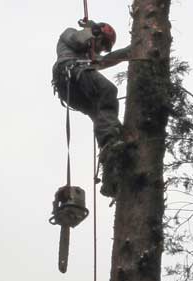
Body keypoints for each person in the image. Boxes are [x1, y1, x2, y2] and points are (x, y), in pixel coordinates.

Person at [52, 20, 131, 197]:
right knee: (108, 91)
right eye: (102, 44)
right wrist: (92, 31)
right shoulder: (71, 34)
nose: (100, 50)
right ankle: (110, 141)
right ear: (99, 35)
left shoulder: (88, 55)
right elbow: (76, 40)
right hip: (69, 72)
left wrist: (129, 51)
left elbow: (105, 61)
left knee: (103, 116)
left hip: (75, 87)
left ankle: (110, 163)